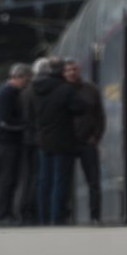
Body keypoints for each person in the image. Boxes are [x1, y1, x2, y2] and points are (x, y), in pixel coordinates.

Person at [34, 57, 87, 225]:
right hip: (63, 140)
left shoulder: (37, 89)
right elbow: (80, 107)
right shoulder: (66, 89)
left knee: (44, 181)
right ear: (61, 71)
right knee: (60, 181)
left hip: (43, 140)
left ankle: (44, 217)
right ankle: (56, 218)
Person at [67, 59, 105, 225]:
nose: (71, 73)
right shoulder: (61, 90)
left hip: (88, 142)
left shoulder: (91, 90)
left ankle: (95, 216)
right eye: (68, 70)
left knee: (93, 181)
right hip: (66, 143)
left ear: (79, 70)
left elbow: (100, 115)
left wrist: (96, 137)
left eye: (74, 69)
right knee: (63, 182)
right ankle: (64, 215)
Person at [0, 63, 32, 224]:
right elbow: (5, 120)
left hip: (11, 142)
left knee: (11, 179)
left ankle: (7, 212)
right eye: (26, 80)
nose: (27, 84)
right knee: (7, 179)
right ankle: (3, 214)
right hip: (8, 143)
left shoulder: (11, 92)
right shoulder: (8, 93)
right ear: (19, 77)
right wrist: (25, 124)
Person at [19, 58, 50, 225]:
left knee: (30, 176)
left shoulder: (26, 92)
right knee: (41, 176)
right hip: (43, 139)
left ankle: (27, 211)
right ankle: (38, 211)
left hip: (28, 139)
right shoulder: (50, 90)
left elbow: (25, 117)